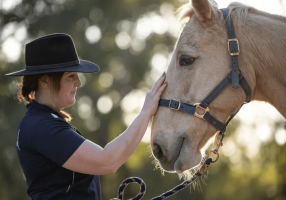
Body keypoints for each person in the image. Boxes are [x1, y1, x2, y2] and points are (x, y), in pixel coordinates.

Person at [5, 33, 167, 200]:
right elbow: (108, 161)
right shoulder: (41, 126)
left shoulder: (42, 121)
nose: (79, 82)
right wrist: (146, 112)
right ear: (45, 80)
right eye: (71, 76)